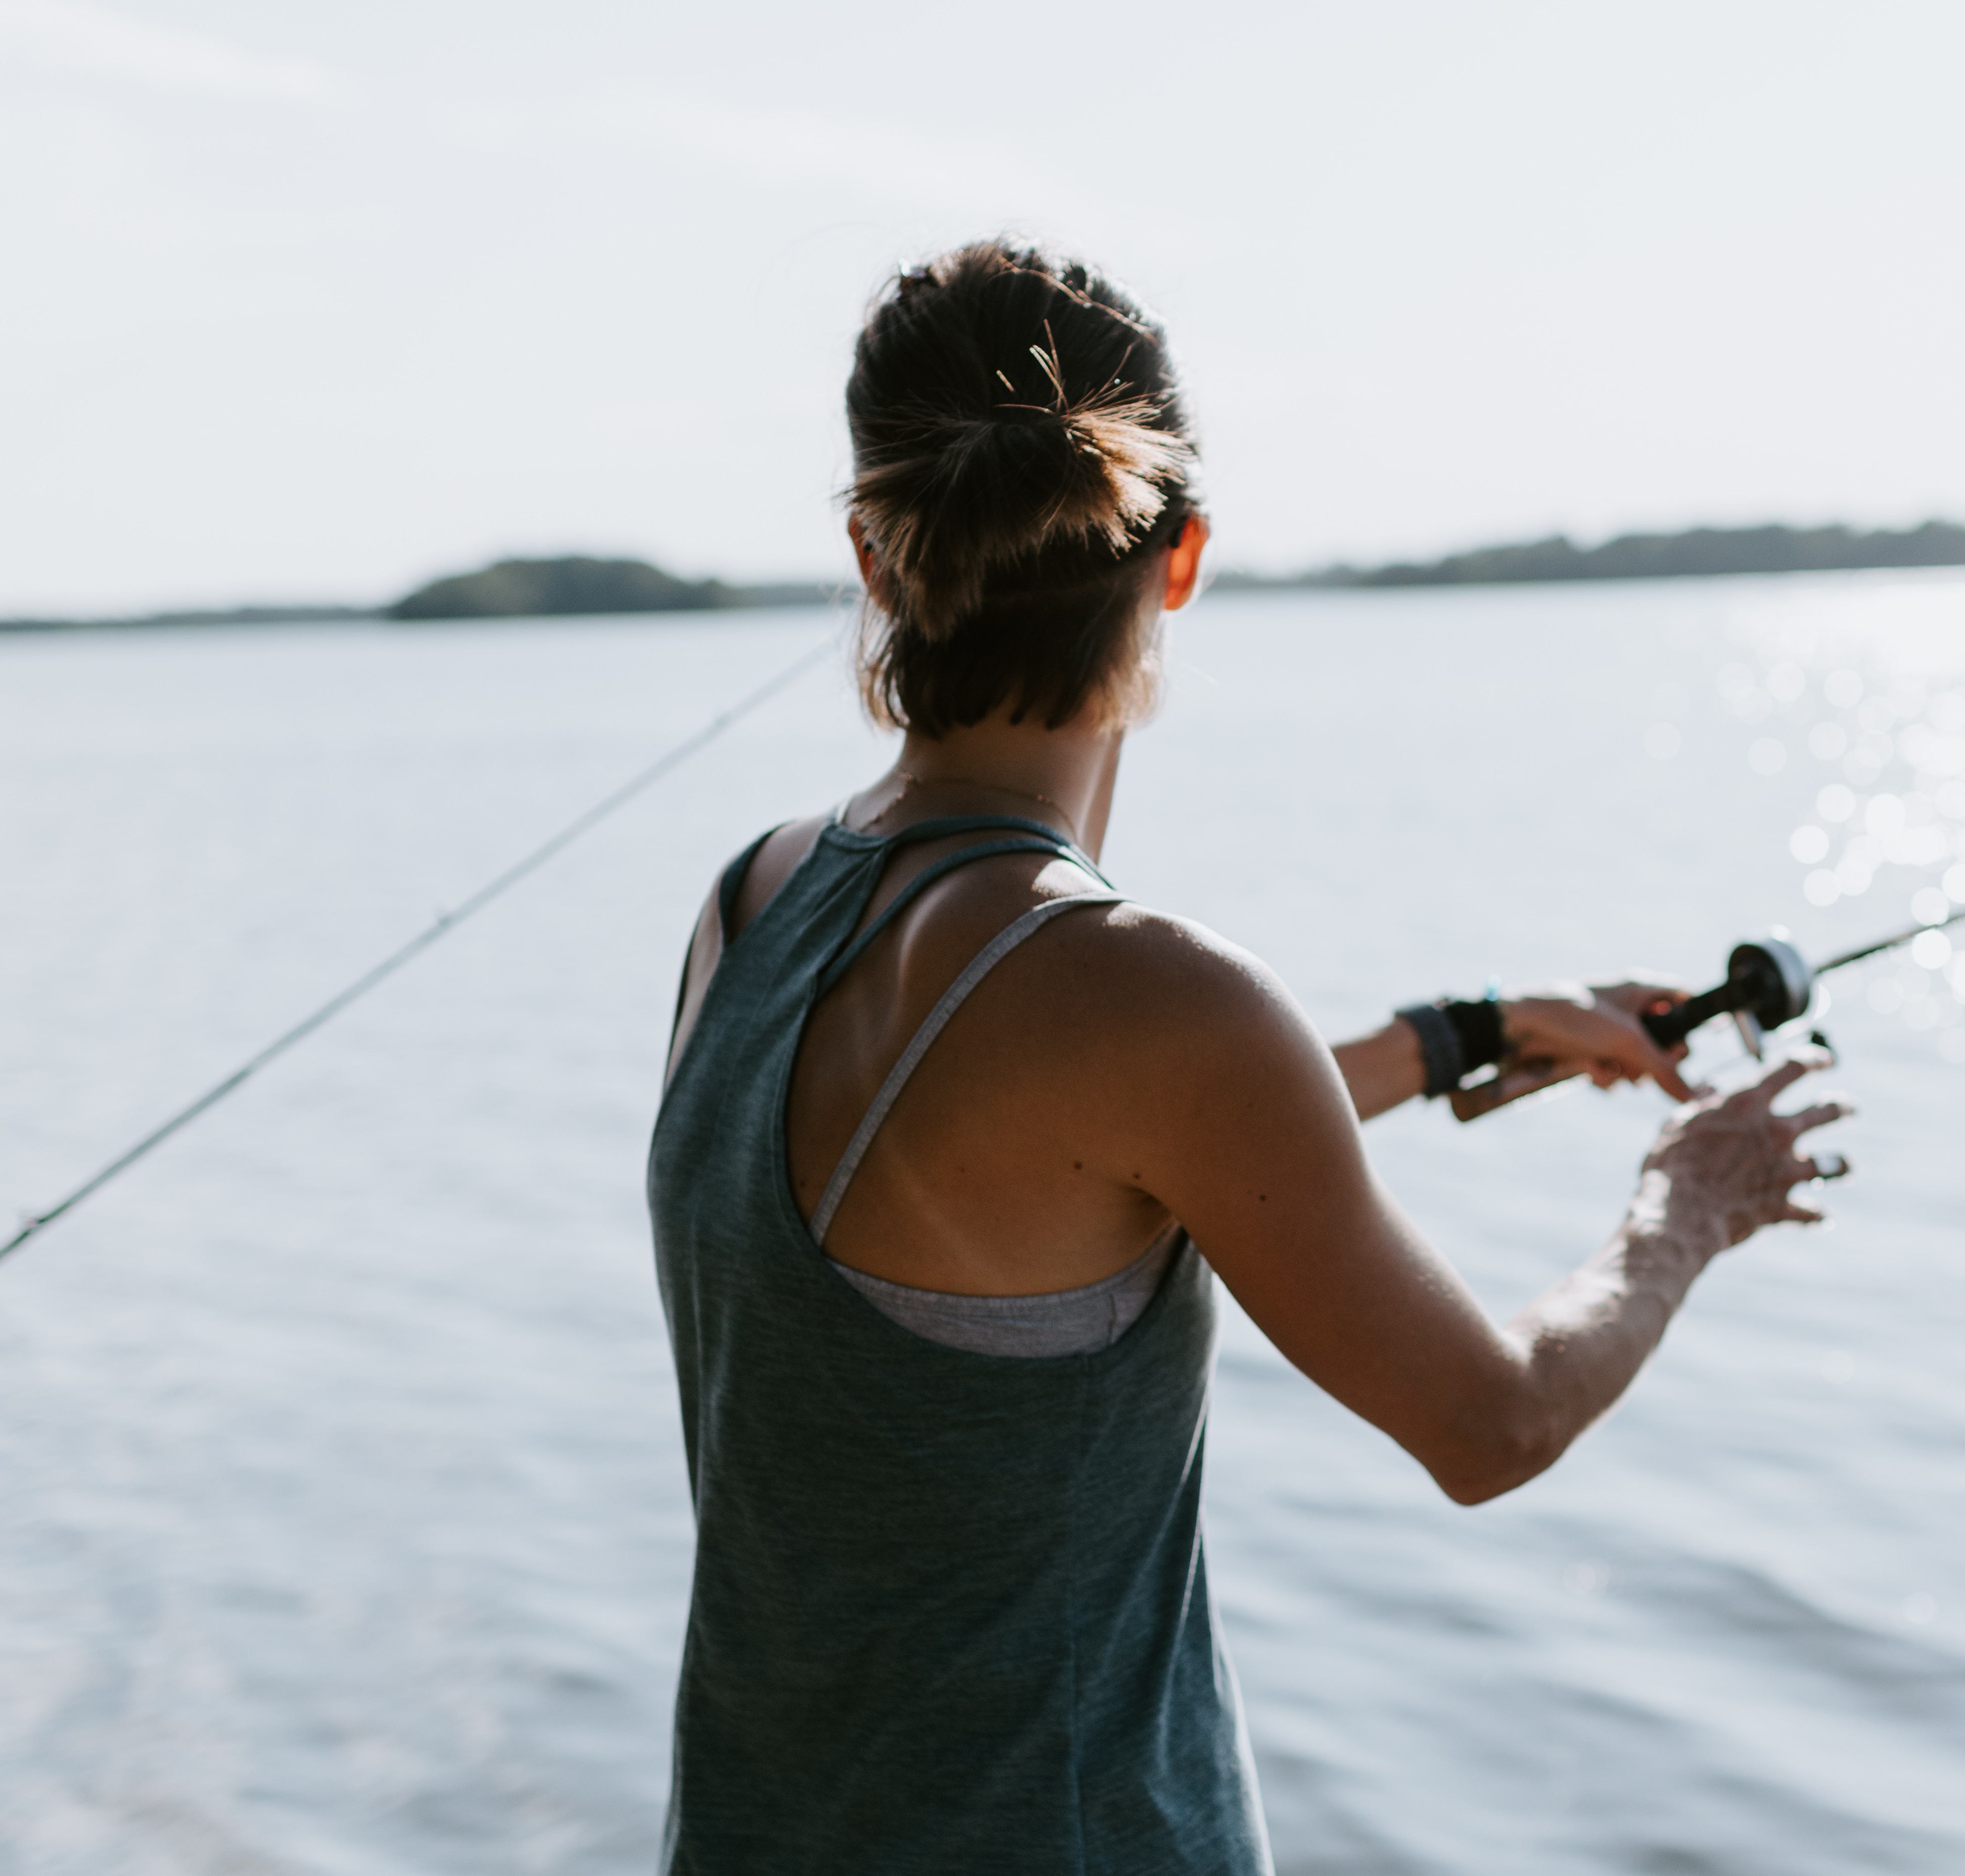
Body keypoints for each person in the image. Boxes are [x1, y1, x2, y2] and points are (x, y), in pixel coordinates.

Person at [646, 239, 1849, 1874]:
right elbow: (1490, 1426)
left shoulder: (753, 906)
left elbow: (1034, 1175)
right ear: (1185, 555)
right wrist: (1683, 1209)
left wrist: (1465, 1038)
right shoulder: (1149, 1003)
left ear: (873, 554)